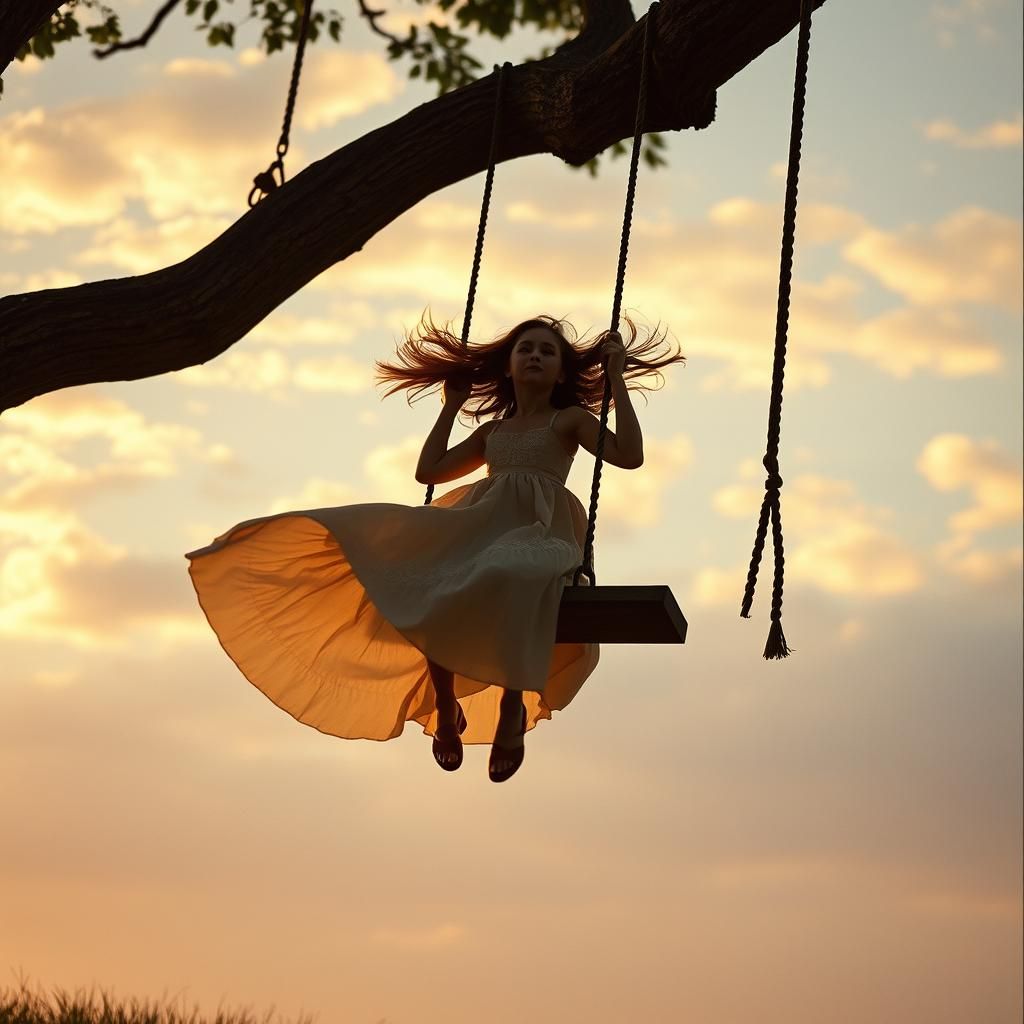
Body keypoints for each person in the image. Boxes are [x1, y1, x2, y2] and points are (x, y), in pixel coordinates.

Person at [185, 313, 685, 782]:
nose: (534, 356)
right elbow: (430, 471)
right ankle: (444, 703)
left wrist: (617, 379)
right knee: (435, 580)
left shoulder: (569, 420)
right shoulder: (493, 432)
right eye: (525, 350)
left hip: (539, 530)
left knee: (513, 571)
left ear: (560, 374)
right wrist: (450, 406)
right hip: (480, 523)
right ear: (508, 369)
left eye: (547, 353)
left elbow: (630, 456)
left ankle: (513, 704)